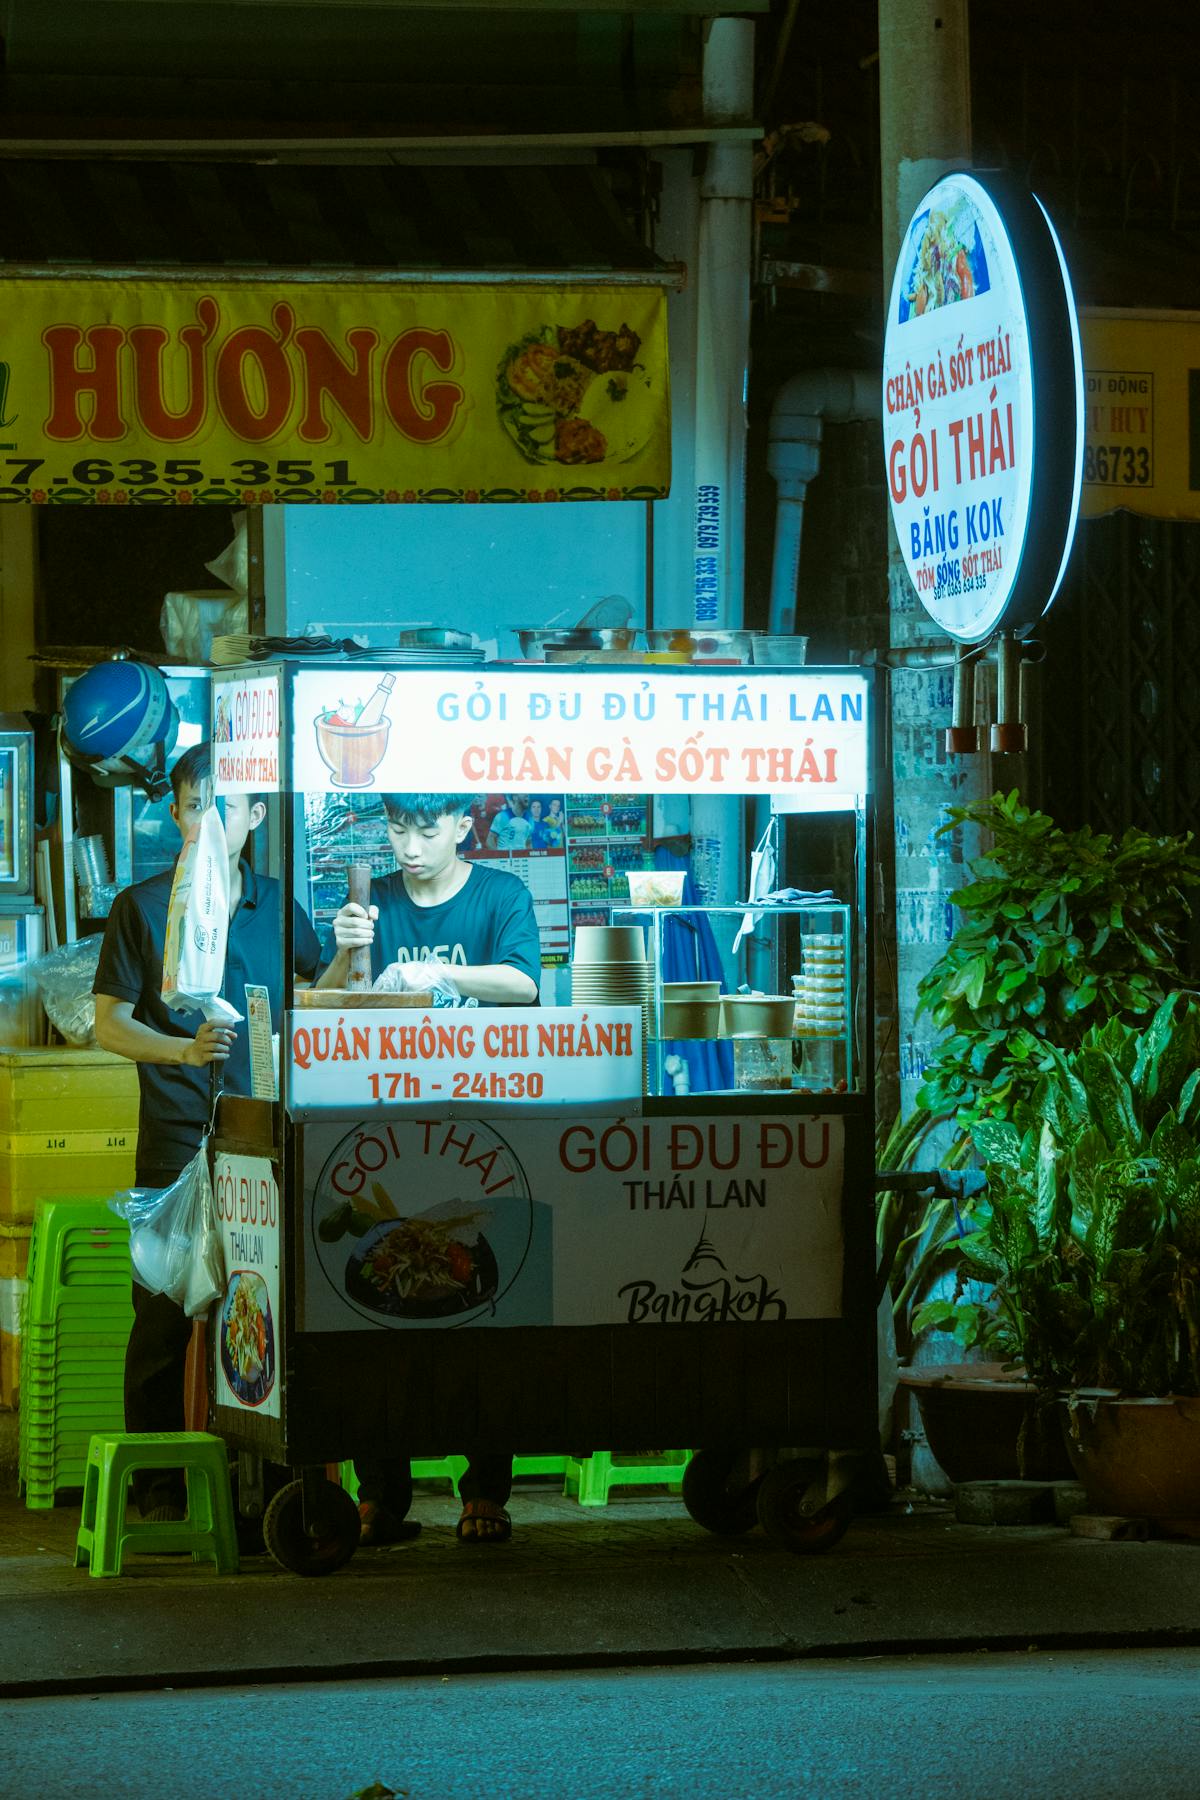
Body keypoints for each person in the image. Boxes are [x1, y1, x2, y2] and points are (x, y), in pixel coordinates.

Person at [94, 742, 321, 1522]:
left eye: (227, 809)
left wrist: (352, 959)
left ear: (256, 818)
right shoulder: (143, 906)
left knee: (264, 1310)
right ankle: (158, 1489)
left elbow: (313, 992)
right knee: (163, 1312)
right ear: (176, 812)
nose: (210, 823)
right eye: (196, 807)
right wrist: (181, 1051)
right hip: (176, 1138)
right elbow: (111, 1025)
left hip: (265, 1140)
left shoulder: (277, 904)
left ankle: (271, 1490)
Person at [318, 791, 540, 1542]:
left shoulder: (499, 894)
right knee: (376, 1306)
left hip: (481, 1132)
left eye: (427, 828)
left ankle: (485, 1492)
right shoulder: (371, 900)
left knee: (483, 1300)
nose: (409, 845)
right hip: (384, 1138)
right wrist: (346, 952)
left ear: (462, 825)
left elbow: (525, 983)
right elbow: (325, 1006)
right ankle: (382, 1493)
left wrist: (432, 977)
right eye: (397, 827)